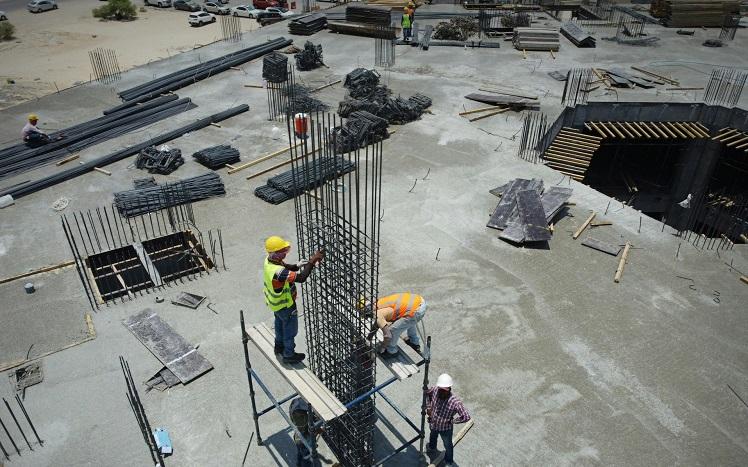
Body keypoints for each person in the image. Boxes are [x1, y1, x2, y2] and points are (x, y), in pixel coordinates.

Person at [263, 235, 324, 364]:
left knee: (279, 325)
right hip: (285, 305)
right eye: (283, 252)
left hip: (276, 306)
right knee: (290, 330)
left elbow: (285, 267)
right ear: (275, 254)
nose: (285, 253)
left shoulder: (269, 261)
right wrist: (312, 262)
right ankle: (289, 354)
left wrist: (296, 265)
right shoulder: (278, 271)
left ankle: (279, 347)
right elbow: (301, 278)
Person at [426, 374, 471, 467]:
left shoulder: (455, 402)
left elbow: (466, 416)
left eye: (444, 391)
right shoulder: (435, 390)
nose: (441, 392)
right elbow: (427, 394)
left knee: (448, 445)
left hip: (445, 429)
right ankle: (432, 447)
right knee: (433, 435)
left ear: (449, 389)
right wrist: (429, 407)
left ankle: (449, 462)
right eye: (440, 389)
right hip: (433, 423)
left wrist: (452, 421)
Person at [373, 292, 427, 358]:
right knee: (409, 321)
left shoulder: (377, 313)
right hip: (419, 301)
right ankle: (414, 342)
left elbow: (388, 335)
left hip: (415, 311)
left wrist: (383, 347)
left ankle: (392, 351)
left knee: (393, 330)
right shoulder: (380, 302)